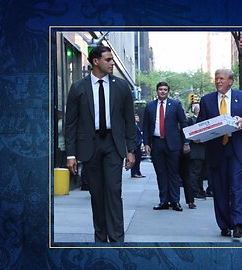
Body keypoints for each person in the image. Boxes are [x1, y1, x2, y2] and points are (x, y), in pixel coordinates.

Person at [65, 45, 137, 242]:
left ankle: (116, 240)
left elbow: (129, 121)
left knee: (114, 192)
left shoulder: (121, 87)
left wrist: (131, 150)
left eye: (112, 59)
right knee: (96, 195)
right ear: (95, 62)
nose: (112, 63)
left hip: (113, 145)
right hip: (90, 146)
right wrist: (71, 154)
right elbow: (70, 123)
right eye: (108, 59)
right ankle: (100, 239)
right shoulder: (78, 87)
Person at [196, 68, 242, 238]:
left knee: (237, 187)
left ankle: (237, 224)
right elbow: (200, 122)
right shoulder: (206, 100)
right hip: (216, 149)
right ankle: (224, 224)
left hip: (236, 148)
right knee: (220, 189)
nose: (218, 81)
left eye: (221, 78)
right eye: (216, 78)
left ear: (231, 81)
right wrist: (197, 135)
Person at [143, 82, 190, 212]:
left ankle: (175, 201)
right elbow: (146, 126)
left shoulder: (175, 105)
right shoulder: (150, 106)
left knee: (174, 173)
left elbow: (183, 123)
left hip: (173, 144)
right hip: (157, 143)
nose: (162, 91)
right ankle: (163, 200)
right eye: (160, 89)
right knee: (161, 173)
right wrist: (146, 143)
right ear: (157, 91)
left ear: (168, 91)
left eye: (165, 89)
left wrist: (186, 142)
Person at [188, 104, 208, 200]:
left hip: (204, 150)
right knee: (195, 172)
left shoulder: (205, 121)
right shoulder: (191, 120)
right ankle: (194, 190)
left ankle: (200, 189)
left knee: (202, 173)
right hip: (195, 150)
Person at [131, 114, 146, 178]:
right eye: (136, 117)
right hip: (136, 145)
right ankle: (134, 173)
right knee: (135, 160)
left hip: (139, 145)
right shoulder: (133, 126)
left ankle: (138, 172)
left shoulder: (137, 126)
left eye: (138, 116)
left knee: (138, 160)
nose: (138, 118)